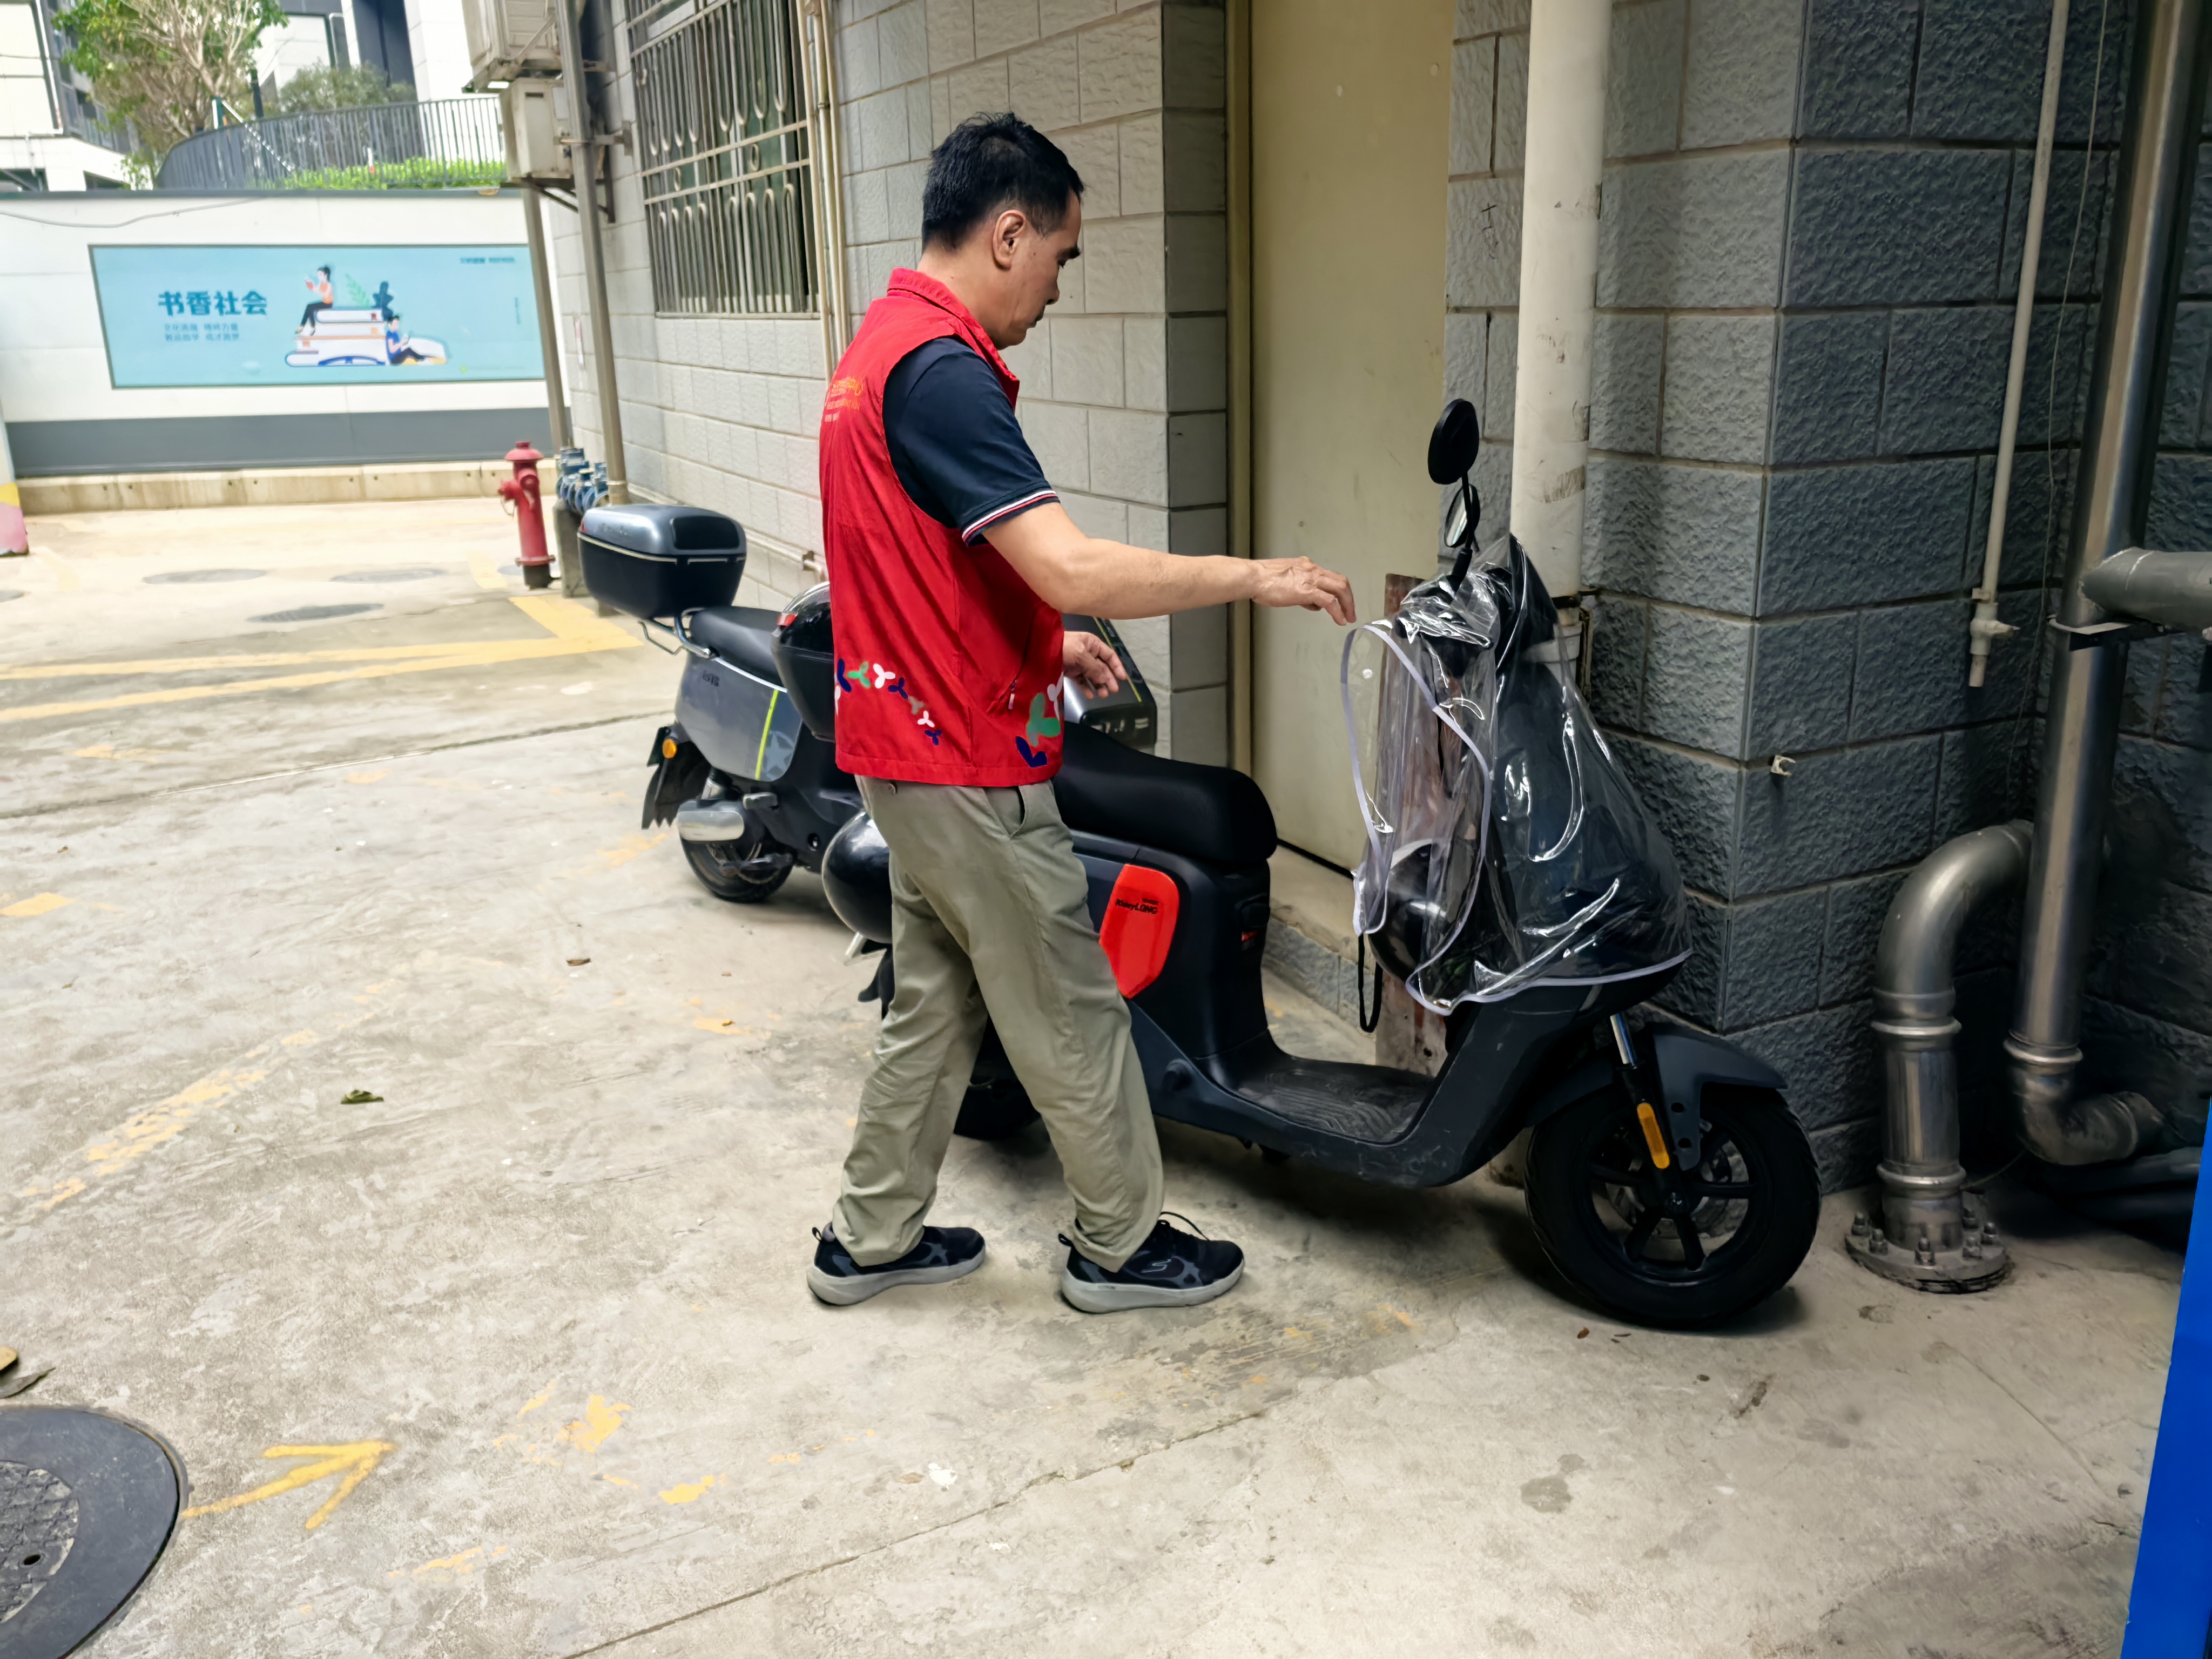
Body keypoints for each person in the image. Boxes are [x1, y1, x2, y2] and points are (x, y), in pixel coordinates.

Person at [807, 113, 1355, 1314]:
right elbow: (1067, 563)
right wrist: (1254, 576)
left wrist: (1044, 645)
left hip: (903, 752)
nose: (1056, 287)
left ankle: (869, 1237)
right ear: (1009, 234)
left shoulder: (877, 352)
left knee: (936, 1004)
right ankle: (1121, 1246)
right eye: (1059, 256)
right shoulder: (943, 371)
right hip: (964, 765)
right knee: (1070, 1004)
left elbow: (909, 565)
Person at [299, 265, 333, 329]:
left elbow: (326, 295)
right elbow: (316, 289)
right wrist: (311, 286)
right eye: (318, 275)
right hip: (324, 303)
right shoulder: (321, 283)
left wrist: (316, 290)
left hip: (328, 304)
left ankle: (312, 327)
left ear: (326, 275)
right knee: (309, 307)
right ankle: (303, 325)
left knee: (310, 308)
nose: (319, 276)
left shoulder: (329, 285)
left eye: (320, 274)